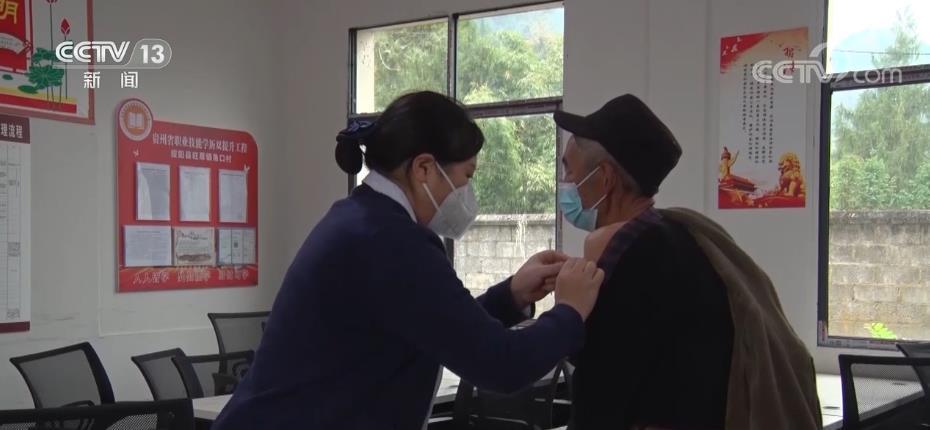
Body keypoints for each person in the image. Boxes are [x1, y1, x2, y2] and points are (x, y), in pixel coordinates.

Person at [212, 91, 604, 430]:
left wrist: (511, 295)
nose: (467, 193)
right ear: (424, 168)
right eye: (467, 176)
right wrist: (569, 312)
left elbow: (436, 326)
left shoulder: (363, 220)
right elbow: (501, 365)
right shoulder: (390, 241)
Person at [555, 94, 820, 430]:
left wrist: (568, 310)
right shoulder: (690, 236)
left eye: (569, 169)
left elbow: (601, 396)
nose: (565, 182)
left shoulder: (628, 254)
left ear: (605, 178)